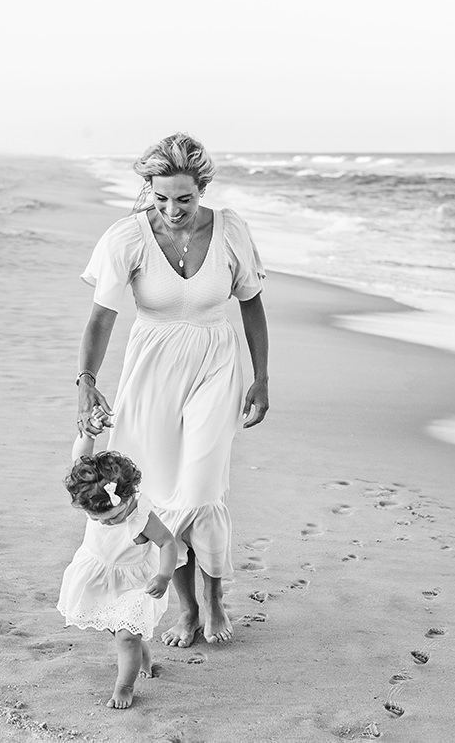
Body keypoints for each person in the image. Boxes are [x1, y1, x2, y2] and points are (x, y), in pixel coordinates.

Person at [76, 132, 269, 647]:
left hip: (216, 363)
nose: (173, 209)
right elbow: (101, 317)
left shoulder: (231, 231)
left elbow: (251, 302)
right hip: (152, 368)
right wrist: (87, 382)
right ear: (149, 189)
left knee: (203, 492)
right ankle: (186, 611)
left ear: (202, 188)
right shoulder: (127, 238)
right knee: (161, 496)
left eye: (184, 198)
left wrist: (262, 376)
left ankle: (216, 600)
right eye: (161, 198)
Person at [57, 420, 179, 709]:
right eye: (96, 518)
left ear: (126, 497)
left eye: (110, 517)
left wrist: (164, 576)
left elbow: (168, 543)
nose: (103, 522)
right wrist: (87, 434)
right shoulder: (96, 500)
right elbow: (80, 460)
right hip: (100, 574)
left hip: (135, 585)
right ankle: (142, 653)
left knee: (125, 637)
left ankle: (125, 686)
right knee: (117, 628)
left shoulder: (141, 518)